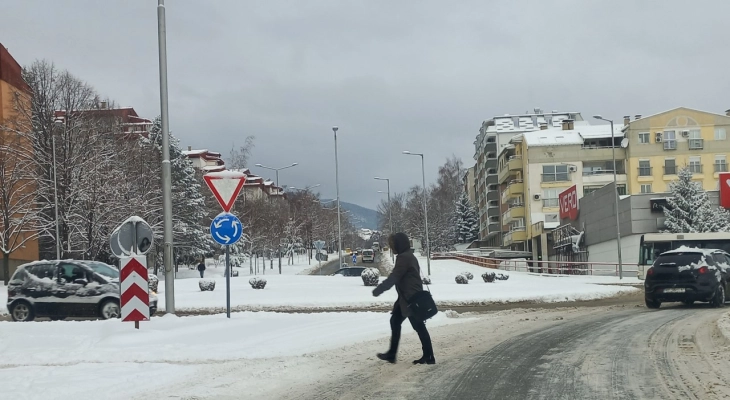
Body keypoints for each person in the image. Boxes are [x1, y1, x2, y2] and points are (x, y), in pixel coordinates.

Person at [372, 232, 435, 365]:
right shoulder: (408, 256)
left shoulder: (404, 258)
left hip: (410, 300)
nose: (392, 247)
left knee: (418, 326)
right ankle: (392, 354)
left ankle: (428, 356)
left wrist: (379, 289)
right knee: (395, 321)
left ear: (399, 245)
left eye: (393, 245)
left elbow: (395, 276)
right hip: (405, 298)